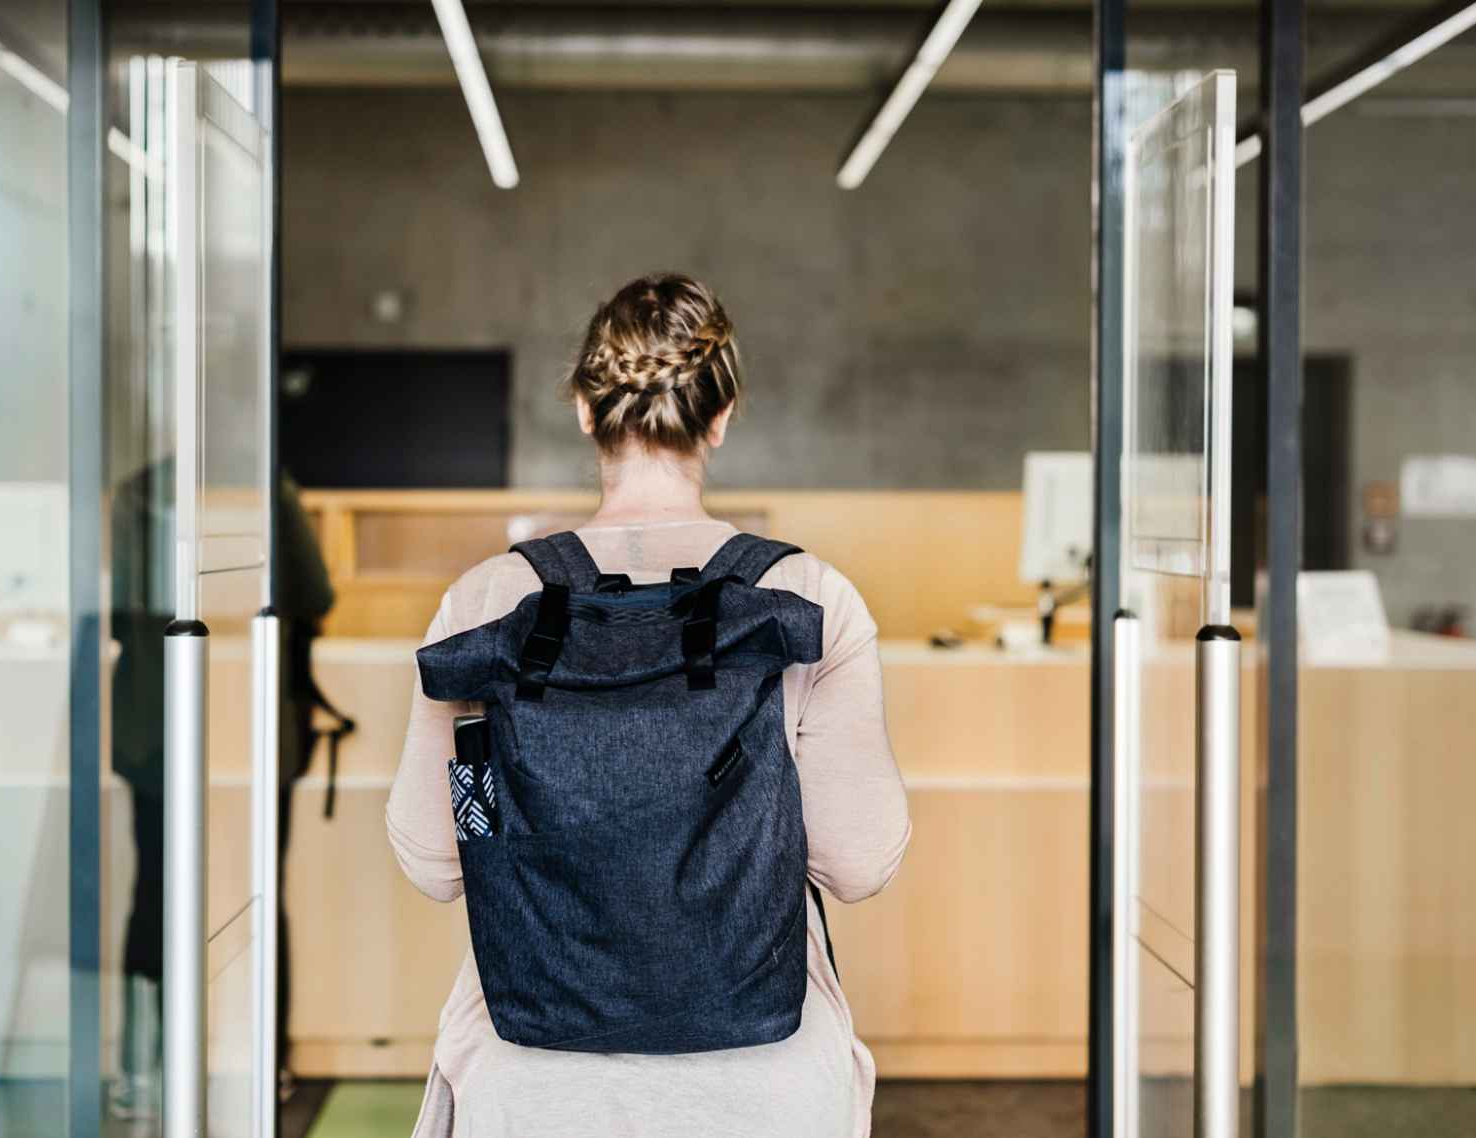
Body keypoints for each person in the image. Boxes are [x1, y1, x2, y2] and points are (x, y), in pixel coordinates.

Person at [387, 273, 911, 1137]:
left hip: (533, 1079)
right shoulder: (808, 598)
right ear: (721, 416)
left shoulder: (486, 602)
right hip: (761, 1080)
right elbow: (859, 863)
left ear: (587, 413)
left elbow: (438, 861)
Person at [109, 462, 334, 1120]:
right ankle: (269, 1061)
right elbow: (315, 598)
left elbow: (121, 612)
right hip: (259, 727)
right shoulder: (267, 483)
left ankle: (142, 1067)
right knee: (263, 889)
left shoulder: (138, 491)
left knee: (154, 891)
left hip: (156, 731)